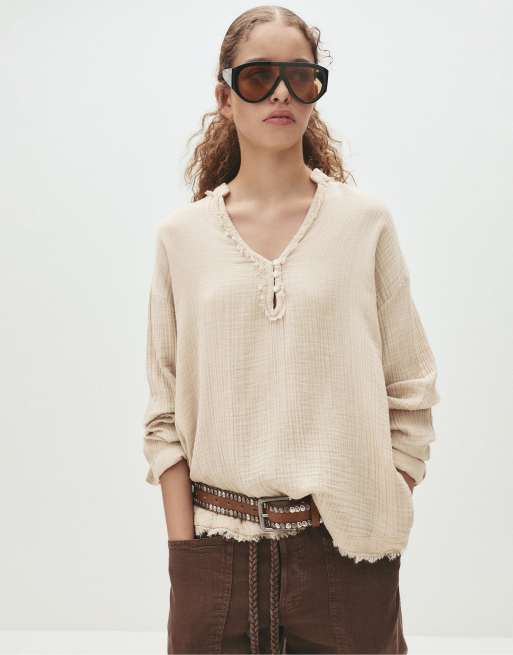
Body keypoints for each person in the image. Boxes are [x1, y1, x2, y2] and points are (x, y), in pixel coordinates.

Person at [142, 6, 440, 654]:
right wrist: (183, 551)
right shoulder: (181, 238)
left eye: (300, 77)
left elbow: (411, 384)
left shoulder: (364, 224)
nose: (281, 93)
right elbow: (163, 415)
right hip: (215, 560)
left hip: (346, 556)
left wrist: (384, 492)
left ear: (314, 92)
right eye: (258, 77)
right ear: (225, 97)